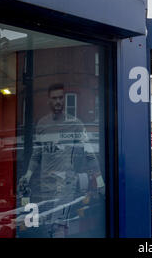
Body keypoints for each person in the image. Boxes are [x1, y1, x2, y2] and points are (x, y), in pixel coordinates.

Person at [18, 83, 104, 237]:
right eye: (54, 98)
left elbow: (89, 154)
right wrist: (28, 175)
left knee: (59, 226)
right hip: (45, 184)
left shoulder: (75, 125)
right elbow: (36, 155)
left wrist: (100, 181)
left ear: (64, 100)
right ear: (48, 101)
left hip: (65, 183)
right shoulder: (42, 125)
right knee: (49, 225)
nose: (58, 101)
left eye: (60, 98)